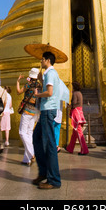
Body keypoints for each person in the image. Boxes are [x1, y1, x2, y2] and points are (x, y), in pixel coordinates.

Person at [32, 51, 61, 189]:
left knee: (49, 144)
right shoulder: (48, 74)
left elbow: (49, 93)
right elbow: (48, 88)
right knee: (37, 138)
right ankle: (43, 172)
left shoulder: (50, 73)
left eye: (42, 59)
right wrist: (41, 80)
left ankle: (54, 179)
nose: (41, 62)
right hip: (45, 110)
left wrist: (37, 95)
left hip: (48, 111)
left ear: (47, 60)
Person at [17, 69, 41, 166]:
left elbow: (18, 92)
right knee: (29, 133)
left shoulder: (28, 85)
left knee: (22, 132)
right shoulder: (40, 85)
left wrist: (18, 81)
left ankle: (32, 153)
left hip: (27, 110)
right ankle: (26, 159)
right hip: (36, 112)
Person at [65, 81, 89, 156]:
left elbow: (74, 103)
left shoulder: (75, 93)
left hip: (76, 112)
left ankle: (84, 149)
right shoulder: (80, 93)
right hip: (79, 111)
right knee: (75, 132)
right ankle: (70, 148)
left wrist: (69, 106)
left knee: (79, 132)